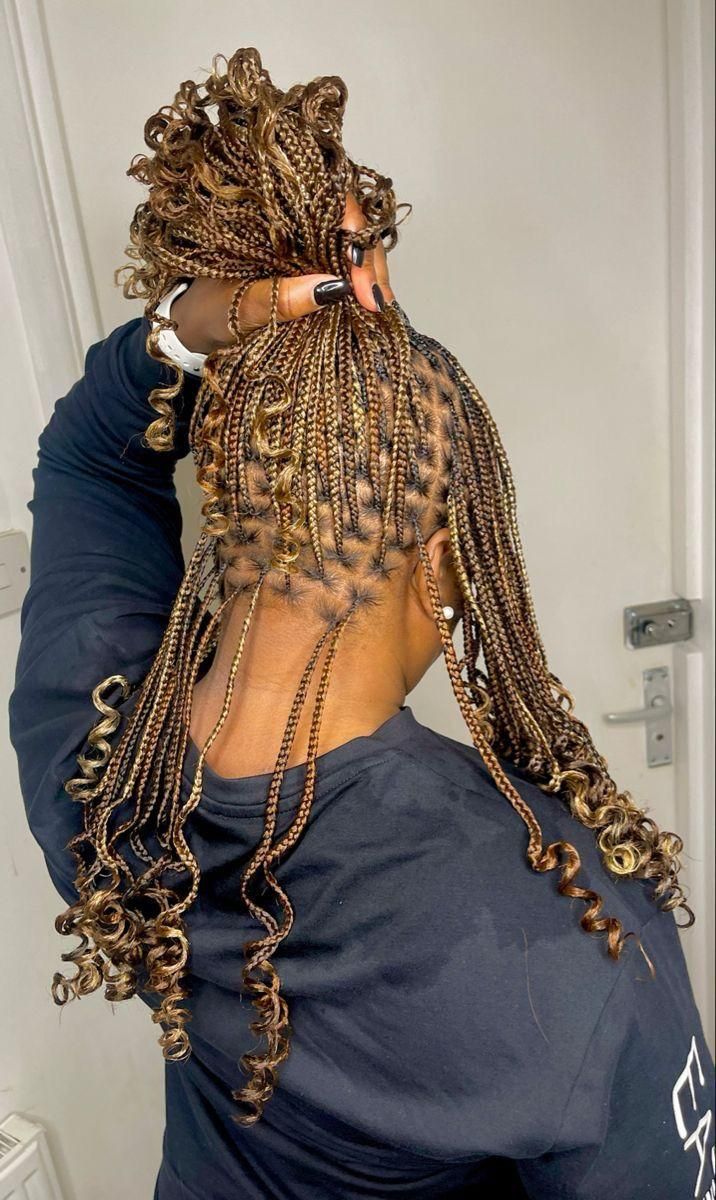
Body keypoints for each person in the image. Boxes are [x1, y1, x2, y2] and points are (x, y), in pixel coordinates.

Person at [10, 47, 715, 1200]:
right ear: (445, 559)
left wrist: (179, 335)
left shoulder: (104, 776)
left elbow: (87, 459)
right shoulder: (574, 932)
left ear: (234, 518)